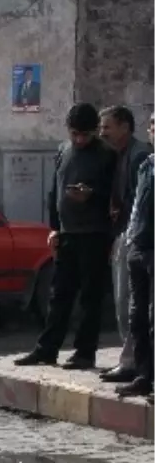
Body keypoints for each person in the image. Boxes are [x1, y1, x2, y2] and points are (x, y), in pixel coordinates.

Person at [16, 103, 117, 370]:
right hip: (67, 233)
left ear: (94, 131)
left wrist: (91, 195)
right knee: (59, 294)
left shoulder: (107, 155)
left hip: (94, 234)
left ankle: (84, 353)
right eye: (75, 134)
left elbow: (115, 195)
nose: (79, 140)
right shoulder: (64, 150)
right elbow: (54, 192)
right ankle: (46, 349)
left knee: (90, 298)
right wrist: (54, 228)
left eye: (85, 135)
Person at [97, 107, 150, 384]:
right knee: (127, 303)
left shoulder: (139, 155)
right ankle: (130, 360)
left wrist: (127, 233)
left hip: (134, 237)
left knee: (129, 303)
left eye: (107, 126)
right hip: (125, 234)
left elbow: (137, 201)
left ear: (125, 127)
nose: (102, 132)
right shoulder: (120, 154)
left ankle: (132, 362)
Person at [119, 113, 155, 399]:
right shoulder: (147, 165)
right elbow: (136, 206)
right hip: (139, 247)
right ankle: (143, 376)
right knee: (137, 317)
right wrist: (131, 237)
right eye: (153, 124)